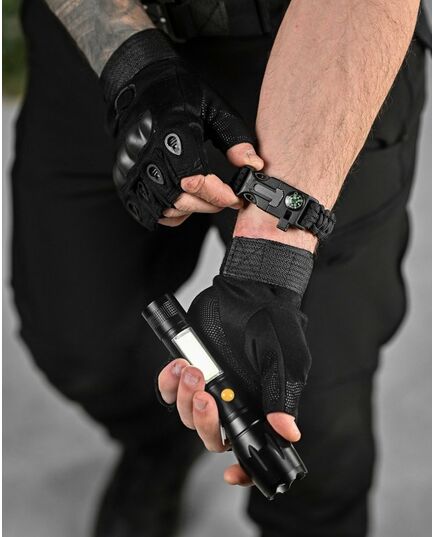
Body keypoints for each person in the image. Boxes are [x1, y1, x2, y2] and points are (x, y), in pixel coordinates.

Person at [11, 0, 430, 536]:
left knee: (309, 416)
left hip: (319, 61)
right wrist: (135, 64)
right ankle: (157, 443)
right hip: (98, 52)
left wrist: (269, 265)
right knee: (79, 341)